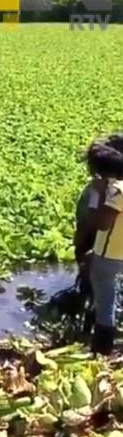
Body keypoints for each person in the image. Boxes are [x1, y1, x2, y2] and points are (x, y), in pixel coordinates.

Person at [87, 143, 123, 354]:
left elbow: (101, 223)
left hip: (108, 254)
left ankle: (101, 352)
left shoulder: (116, 192)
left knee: (105, 304)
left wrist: (97, 195)